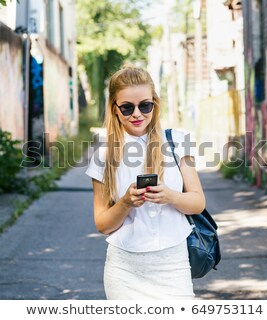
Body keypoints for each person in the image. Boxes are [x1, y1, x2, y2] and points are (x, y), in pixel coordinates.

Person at [85, 64, 206, 299]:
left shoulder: (178, 142)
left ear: (155, 105)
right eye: (127, 107)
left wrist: (170, 196)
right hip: (124, 270)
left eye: (145, 106)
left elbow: (198, 202)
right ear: (115, 109)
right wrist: (125, 203)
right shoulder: (103, 156)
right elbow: (102, 224)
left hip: (174, 266)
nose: (137, 114)